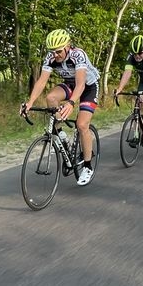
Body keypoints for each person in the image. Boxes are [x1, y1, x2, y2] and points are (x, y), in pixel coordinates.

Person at [20, 29, 100, 186]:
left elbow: (81, 84)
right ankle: (60, 134)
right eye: (52, 52)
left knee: (82, 125)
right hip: (70, 84)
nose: (55, 55)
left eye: (58, 51)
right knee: (51, 98)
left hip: (88, 87)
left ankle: (87, 165)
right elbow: (42, 82)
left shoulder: (78, 55)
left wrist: (71, 103)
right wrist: (30, 102)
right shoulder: (50, 57)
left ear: (67, 46)